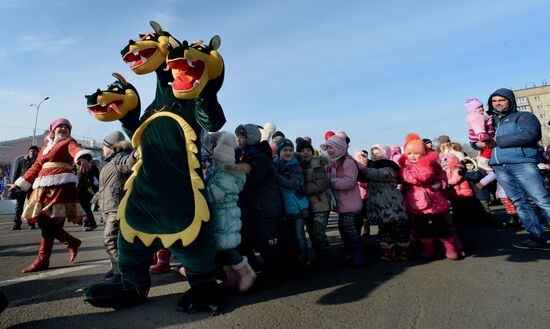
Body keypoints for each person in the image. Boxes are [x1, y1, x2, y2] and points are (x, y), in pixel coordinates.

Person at [7, 118, 92, 272]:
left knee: (48, 222)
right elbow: (35, 167)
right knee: (45, 222)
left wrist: (82, 157)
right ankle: (70, 242)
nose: (64, 129)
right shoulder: (45, 147)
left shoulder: (69, 142)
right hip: (43, 187)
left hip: (62, 187)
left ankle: (43, 260)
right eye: (61, 126)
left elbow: (76, 150)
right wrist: (18, 183)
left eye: (67, 127)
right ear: (53, 129)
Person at [485, 88, 550, 250]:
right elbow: (481, 141)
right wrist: (477, 141)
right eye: (494, 101)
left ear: (510, 101)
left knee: (541, 199)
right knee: (519, 203)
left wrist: (496, 141)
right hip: (499, 166)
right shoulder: (490, 121)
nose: (497, 103)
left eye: (501, 100)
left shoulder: (524, 116)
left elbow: (530, 134)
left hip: (522, 162)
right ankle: (537, 237)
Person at [399, 134, 463, 260]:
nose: (413, 156)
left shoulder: (433, 164)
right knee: (421, 226)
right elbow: (406, 178)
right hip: (416, 201)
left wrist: (441, 183)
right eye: (410, 153)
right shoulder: (405, 166)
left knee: (441, 224)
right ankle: (429, 248)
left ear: (423, 153)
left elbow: (442, 175)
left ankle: (450, 247)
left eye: (416, 153)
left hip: (434, 198)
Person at [235, 124, 285, 283]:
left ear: (249, 139)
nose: (238, 141)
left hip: (266, 208)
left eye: (240, 137)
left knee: (269, 243)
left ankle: (275, 275)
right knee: (260, 241)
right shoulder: (250, 156)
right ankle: (269, 271)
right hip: (259, 208)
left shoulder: (259, 158)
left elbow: (250, 182)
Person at [358, 144, 410, 261]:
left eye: (378, 153)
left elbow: (382, 174)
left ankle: (404, 249)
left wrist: (363, 169)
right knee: (383, 228)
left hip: (390, 201)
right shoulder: (370, 166)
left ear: (385, 153)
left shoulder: (390, 165)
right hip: (377, 202)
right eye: (373, 153)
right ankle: (388, 250)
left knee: (398, 226)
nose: (374, 155)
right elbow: (361, 177)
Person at [97, 131, 135, 282]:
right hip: (107, 208)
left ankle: (121, 273)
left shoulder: (120, 159)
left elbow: (129, 162)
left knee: (110, 239)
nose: (102, 150)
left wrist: (136, 153)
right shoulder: (109, 163)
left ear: (112, 146)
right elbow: (104, 187)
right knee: (116, 241)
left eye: (104, 146)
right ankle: (117, 268)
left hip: (116, 208)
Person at [325, 135, 365, 266]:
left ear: (339, 148)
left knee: (351, 230)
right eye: (328, 148)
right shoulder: (332, 162)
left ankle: (359, 253)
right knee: (345, 230)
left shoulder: (348, 162)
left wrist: (330, 182)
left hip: (350, 203)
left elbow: (348, 182)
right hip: (342, 203)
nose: (329, 150)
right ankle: (353, 252)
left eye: (332, 148)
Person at [273, 138, 310, 277]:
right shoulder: (274, 165)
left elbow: (292, 185)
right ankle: (293, 262)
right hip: (282, 209)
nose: (288, 153)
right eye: (284, 150)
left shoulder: (296, 167)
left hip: (297, 208)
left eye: (290, 150)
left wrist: (275, 175)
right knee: (288, 238)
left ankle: (304, 262)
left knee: (299, 237)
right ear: (278, 152)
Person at [297, 138, 335, 271]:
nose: (306, 152)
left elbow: (322, 184)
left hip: (320, 205)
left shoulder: (317, 164)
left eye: (308, 150)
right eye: (302, 150)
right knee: (313, 235)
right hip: (307, 207)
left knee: (319, 233)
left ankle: (328, 259)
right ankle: (319, 257)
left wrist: (302, 189)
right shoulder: (298, 166)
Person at [11, 146, 39, 230]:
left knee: (31, 205)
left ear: (37, 152)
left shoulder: (39, 161)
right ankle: (17, 224)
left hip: (33, 185)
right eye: (31, 151)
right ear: (28, 152)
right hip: (21, 185)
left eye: (34, 151)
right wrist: (14, 185)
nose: (32, 152)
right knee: (19, 205)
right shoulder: (21, 161)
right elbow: (17, 174)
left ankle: (31, 223)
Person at [464, 98, 494, 171]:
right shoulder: (476, 117)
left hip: (476, 139)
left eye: (482, 106)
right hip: (479, 138)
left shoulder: (478, 116)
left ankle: (481, 158)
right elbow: (479, 127)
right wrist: (482, 135)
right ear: (473, 109)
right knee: (489, 146)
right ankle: (483, 161)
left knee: (486, 147)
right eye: (478, 107)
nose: (481, 109)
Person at [75, 153, 100, 231]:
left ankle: (91, 223)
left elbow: (96, 179)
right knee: (83, 207)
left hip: (87, 190)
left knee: (85, 207)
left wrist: (95, 188)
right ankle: (86, 222)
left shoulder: (92, 167)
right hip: (79, 190)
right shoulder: (75, 166)